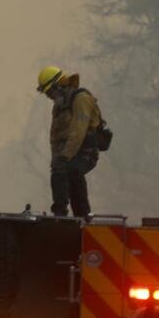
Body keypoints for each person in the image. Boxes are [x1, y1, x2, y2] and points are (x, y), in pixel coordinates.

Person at [38, 65, 104, 218]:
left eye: (49, 92)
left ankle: (72, 214)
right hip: (69, 152)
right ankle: (71, 214)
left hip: (86, 151)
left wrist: (64, 157)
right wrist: (57, 159)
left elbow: (78, 131)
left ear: (58, 86)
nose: (49, 96)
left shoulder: (81, 99)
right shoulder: (60, 106)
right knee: (62, 173)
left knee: (70, 170)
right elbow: (56, 136)